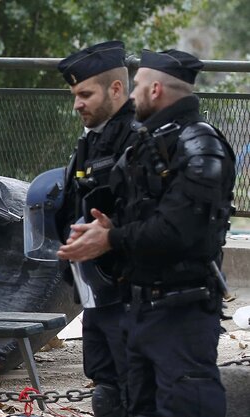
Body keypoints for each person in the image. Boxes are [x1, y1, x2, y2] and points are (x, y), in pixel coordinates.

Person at [58, 49, 234, 417]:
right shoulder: (147, 143)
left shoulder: (200, 144)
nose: (133, 95)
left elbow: (179, 231)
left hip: (182, 308)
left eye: (138, 86)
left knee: (186, 405)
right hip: (140, 305)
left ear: (155, 90)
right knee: (132, 402)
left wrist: (111, 238)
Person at [55, 40, 137, 417]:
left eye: (85, 94)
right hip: (96, 294)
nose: (77, 104)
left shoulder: (141, 140)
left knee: (138, 389)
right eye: (75, 95)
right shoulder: (89, 143)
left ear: (116, 88)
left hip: (133, 296)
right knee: (105, 384)